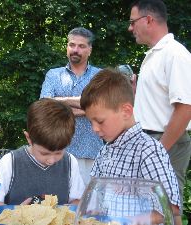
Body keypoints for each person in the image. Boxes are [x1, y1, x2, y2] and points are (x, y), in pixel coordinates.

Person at [80, 68, 181, 224]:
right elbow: (94, 193)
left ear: (126, 111)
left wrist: (132, 221)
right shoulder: (104, 151)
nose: (94, 128)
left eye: (99, 121)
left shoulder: (148, 150)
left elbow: (171, 206)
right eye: (90, 122)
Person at [128, 0, 191, 207]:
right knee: (147, 209)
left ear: (148, 20)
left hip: (165, 142)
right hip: (152, 140)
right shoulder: (156, 54)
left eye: (132, 22)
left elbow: (186, 108)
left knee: (167, 208)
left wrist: (159, 149)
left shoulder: (176, 54)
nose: (130, 28)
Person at [0, 98, 85, 206]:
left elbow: (78, 201)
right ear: (29, 138)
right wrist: (16, 213)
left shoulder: (70, 162)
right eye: (44, 153)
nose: (51, 160)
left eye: (58, 153)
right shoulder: (10, 162)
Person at [40, 27, 103, 185]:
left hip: (91, 153)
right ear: (67, 47)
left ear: (90, 50)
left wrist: (59, 101)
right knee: (58, 203)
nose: (76, 50)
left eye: (81, 46)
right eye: (72, 45)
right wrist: (86, 105)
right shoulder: (53, 75)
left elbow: (101, 108)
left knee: (89, 205)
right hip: (58, 151)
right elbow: (44, 106)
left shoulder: (100, 76)